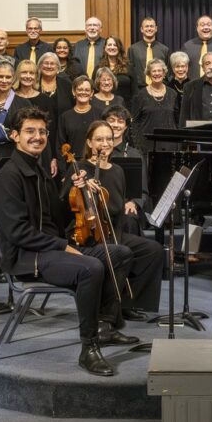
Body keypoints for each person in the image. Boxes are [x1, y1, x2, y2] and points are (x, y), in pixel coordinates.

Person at [0, 107, 140, 376]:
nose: (37, 137)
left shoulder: (39, 169)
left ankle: (105, 325)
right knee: (90, 268)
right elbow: (17, 232)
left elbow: (57, 215)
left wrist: (76, 189)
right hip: (27, 256)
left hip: (50, 246)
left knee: (120, 253)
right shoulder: (9, 176)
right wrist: (63, 246)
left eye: (42, 132)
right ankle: (89, 347)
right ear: (14, 136)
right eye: (30, 131)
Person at [65, 121, 163, 320]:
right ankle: (108, 311)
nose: (105, 143)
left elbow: (117, 209)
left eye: (109, 139)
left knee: (153, 251)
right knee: (119, 253)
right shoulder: (80, 170)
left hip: (112, 232)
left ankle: (128, 302)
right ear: (89, 143)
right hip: (86, 236)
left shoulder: (118, 171)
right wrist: (80, 188)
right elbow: (63, 205)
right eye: (99, 139)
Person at [131, 59, 178, 153]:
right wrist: (137, 144)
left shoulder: (173, 94)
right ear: (149, 74)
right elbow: (135, 122)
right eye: (154, 71)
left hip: (169, 144)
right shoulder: (140, 95)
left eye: (159, 70)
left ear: (164, 73)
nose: (157, 73)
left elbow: (177, 120)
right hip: (146, 145)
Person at [58, 76, 102, 170]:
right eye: (80, 89)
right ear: (74, 92)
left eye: (87, 90)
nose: (83, 92)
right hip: (71, 165)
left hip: (95, 164)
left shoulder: (99, 114)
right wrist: (63, 173)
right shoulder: (65, 116)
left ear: (91, 93)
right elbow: (60, 146)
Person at [127, 17, 171, 87]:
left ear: (156, 29)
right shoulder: (133, 49)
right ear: (141, 29)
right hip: (139, 90)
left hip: (159, 89)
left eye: (151, 26)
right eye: (146, 26)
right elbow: (130, 72)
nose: (149, 29)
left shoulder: (164, 49)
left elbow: (169, 73)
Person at [97, 37, 133, 105]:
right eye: (109, 45)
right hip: (102, 106)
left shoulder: (128, 67)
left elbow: (135, 91)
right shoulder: (99, 67)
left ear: (119, 48)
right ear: (105, 48)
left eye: (115, 45)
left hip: (125, 106)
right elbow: (95, 89)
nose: (112, 47)